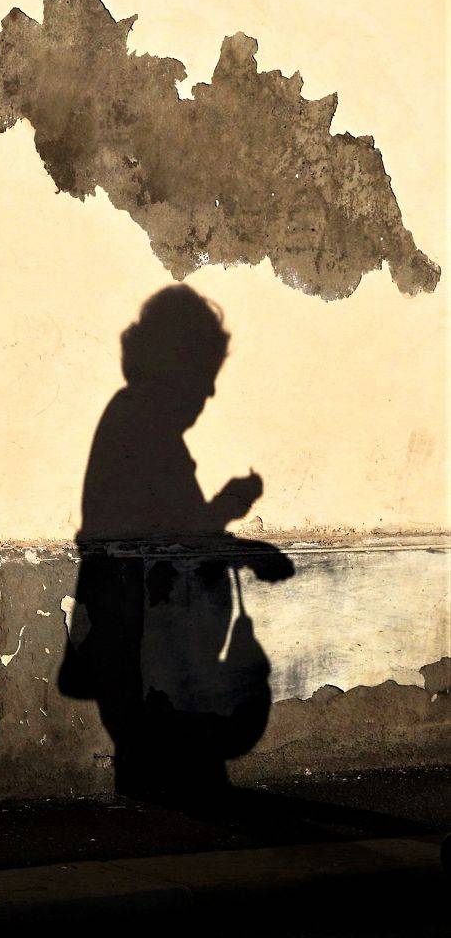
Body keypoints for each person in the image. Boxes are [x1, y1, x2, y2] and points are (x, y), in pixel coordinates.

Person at [58, 285, 293, 799]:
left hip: (138, 624)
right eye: (205, 373)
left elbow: (170, 524)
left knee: (160, 775)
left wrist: (226, 511)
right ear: (177, 364)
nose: (209, 392)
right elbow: (176, 533)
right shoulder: (142, 423)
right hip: (143, 629)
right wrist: (244, 539)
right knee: (175, 781)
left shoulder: (136, 419)